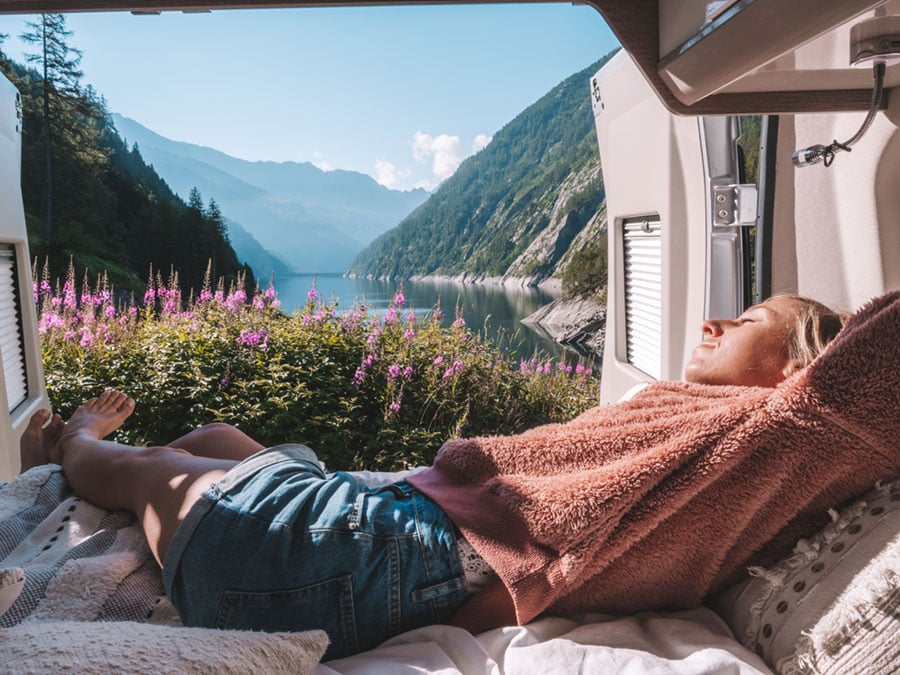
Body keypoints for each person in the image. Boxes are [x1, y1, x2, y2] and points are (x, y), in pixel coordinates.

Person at [20, 292, 900, 660]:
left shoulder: (778, 431)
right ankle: (112, 472)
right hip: (383, 528)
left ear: (803, 369)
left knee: (159, 470)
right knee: (219, 437)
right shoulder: (708, 440)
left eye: (746, 318)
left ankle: (75, 447)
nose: (712, 320)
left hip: (366, 548)